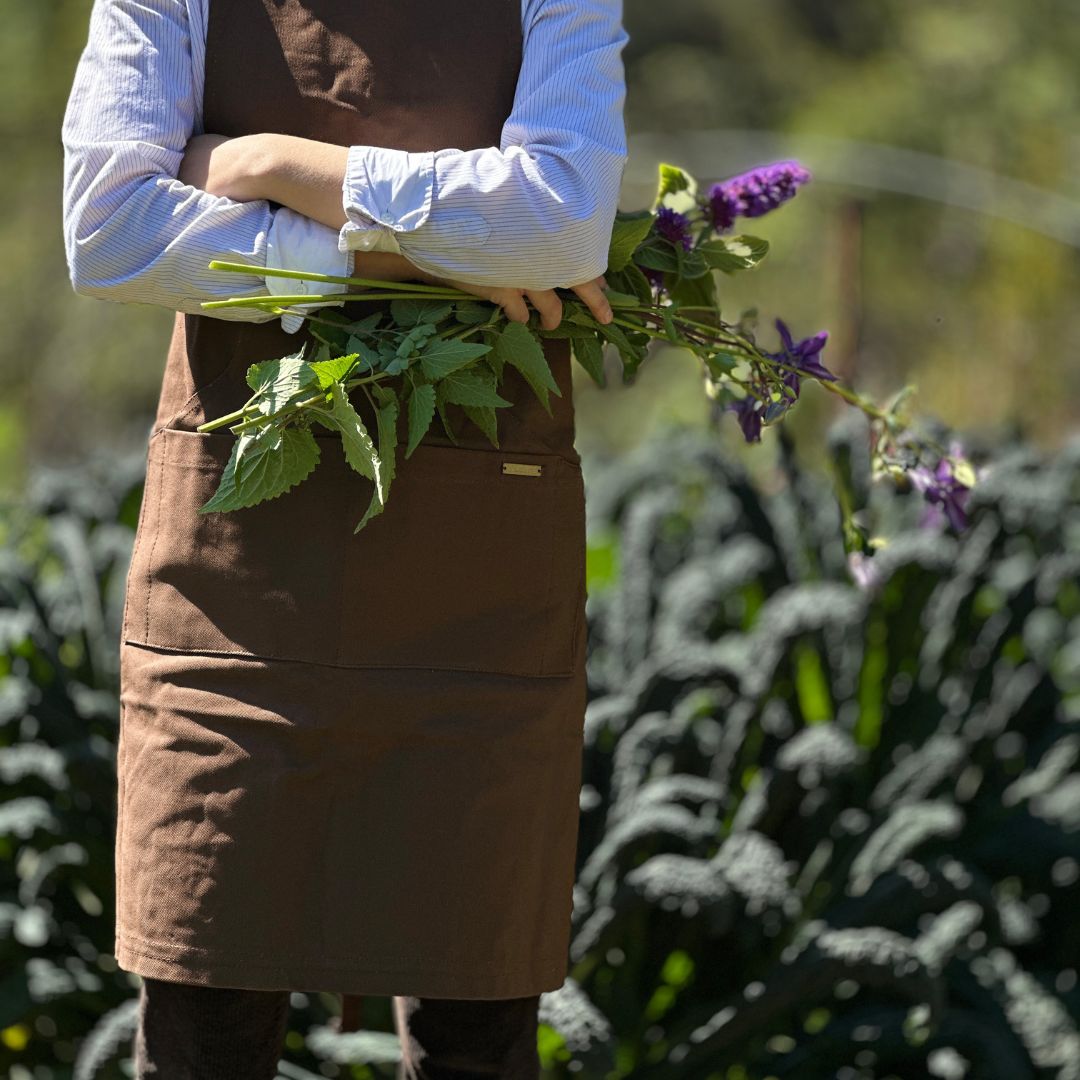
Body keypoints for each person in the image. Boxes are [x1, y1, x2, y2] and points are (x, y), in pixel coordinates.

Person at [61, 1, 628, 1077]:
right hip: (235, 590)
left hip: (477, 586)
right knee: (201, 1025)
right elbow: (109, 229)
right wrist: (425, 258)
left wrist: (268, 164)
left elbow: (559, 228)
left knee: (476, 1040)